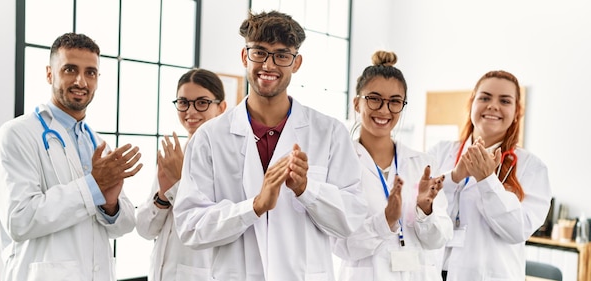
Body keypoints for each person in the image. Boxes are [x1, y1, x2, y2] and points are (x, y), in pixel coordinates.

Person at [171, 10, 367, 280]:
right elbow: (190, 226)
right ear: (244, 57)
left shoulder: (329, 132)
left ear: (296, 63)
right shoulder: (209, 137)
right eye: (259, 52)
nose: (269, 65)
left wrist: (307, 190)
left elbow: (352, 219)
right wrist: (253, 207)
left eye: (282, 55)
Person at [0, 32, 143, 281]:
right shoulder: (16, 135)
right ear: (50, 73)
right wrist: (93, 186)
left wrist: (110, 204)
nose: (81, 81)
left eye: (90, 72)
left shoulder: (99, 142)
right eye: (70, 69)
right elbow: (19, 220)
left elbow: (124, 226)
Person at [331, 50, 452, 281]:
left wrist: (424, 210)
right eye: (374, 98)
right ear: (357, 103)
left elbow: (439, 239)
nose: (385, 110)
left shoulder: (424, 165)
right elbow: (339, 246)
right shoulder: (340, 165)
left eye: (395, 102)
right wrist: (385, 220)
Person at [428, 70, 552, 280]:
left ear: (516, 112)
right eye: (485, 97)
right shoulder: (440, 152)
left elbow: (517, 230)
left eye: (505, 101)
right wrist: (454, 177)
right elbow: (418, 213)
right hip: (433, 272)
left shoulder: (532, 168)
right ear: (472, 103)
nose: (493, 106)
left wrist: (487, 181)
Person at [136, 68, 227, 281]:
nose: (190, 111)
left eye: (202, 102)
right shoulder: (174, 155)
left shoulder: (228, 159)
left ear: (221, 107)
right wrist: (161, 196)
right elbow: (146, 229)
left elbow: (215, 225)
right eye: (183, 102)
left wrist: (178, 183)